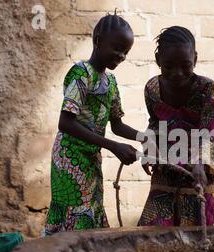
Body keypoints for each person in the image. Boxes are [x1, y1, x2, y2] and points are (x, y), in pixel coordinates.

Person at [44, 12, 142, 235]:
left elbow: (117, 125)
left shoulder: (111, 82)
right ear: (98, 40)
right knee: (75, 210)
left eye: (126, 52)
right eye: (117, 48)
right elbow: (65, 123)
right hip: (69, 157)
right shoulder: (81, 74)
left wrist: (145, 138)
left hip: (91, 157)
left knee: (91, 209)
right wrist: (113, 146)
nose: (121, 55)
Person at [138, 26, 214, 227]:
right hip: (166, 162)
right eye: (169, 66)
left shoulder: (206, 89)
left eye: (185, 65)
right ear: (158, 59)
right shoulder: (152, 89)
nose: (177, 73)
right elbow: (154, 122)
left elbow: (207, 130)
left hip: (200, 160)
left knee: (205, 225)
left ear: (195, 58)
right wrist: (148, 148)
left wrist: (199, 164)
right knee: (157, 234)